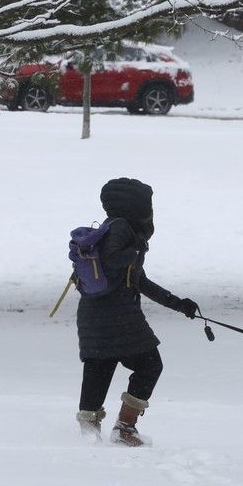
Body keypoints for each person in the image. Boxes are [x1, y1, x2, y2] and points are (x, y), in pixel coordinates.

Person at [75, 177, 199, 446]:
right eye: (148, 205)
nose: (151, 212)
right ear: (134, 205)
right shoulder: (121, 229)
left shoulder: (113, 228)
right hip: (118, 317)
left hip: (94, 318)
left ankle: (89, 436)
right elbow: (113, 261)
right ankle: (123, 429)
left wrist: (179, 304)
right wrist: (136, 249)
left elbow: (138, 281)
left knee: (99, 368)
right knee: (150, 364)